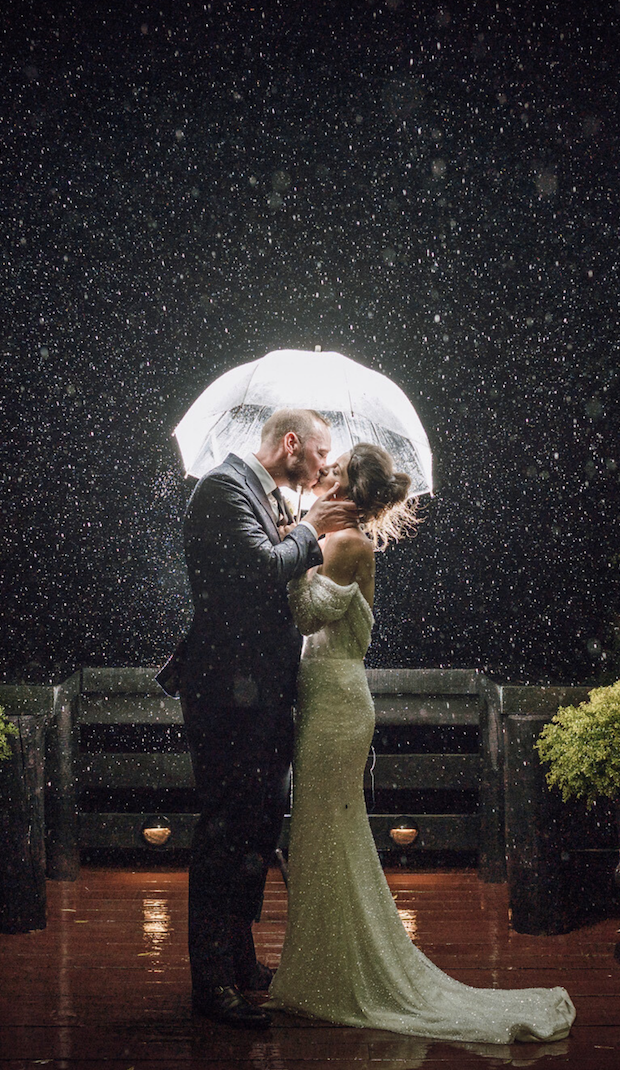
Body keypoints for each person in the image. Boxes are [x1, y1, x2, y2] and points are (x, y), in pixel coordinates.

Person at [265, 442, 576, 1043]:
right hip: (323, 701)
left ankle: (338, 976)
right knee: (320, 835)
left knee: (327, 832)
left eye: (330, 471)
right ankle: (322, 970)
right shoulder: (331, 540)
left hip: (336, 705)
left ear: (350, 492)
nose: (319, 475)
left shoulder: (350, 543)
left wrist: (294, 545)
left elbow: (306, 617)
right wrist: (298, 541)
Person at [163, 408, 359, 1028]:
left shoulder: (264, 497)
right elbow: (255, 573)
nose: (326, 468)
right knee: (223, 829)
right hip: (226, 696)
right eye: (322, 455)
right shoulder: (222, 491)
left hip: (264, 694)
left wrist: (300, 526)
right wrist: (308, 529)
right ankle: (210, 982)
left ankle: (242, 963)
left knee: (255, 832)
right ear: (292, 443)